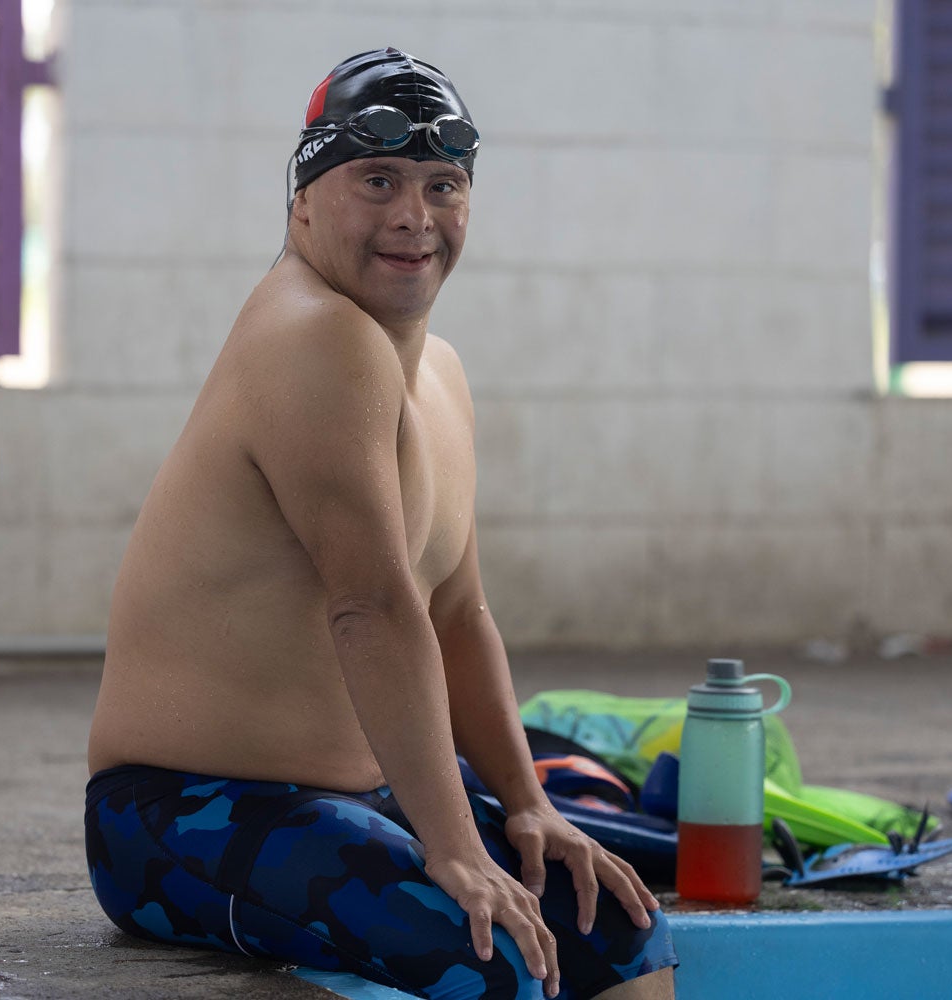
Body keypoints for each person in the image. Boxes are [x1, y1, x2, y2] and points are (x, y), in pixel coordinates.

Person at [85, 48, 679, 1000]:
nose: (415, 215)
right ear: (305, 201)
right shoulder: (313, 338)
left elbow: (457, 614)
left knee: (618, 925)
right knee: (488, 955)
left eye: (443, 184)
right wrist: (454, 848)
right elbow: (372, 606)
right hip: (181, 808)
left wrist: (527, 806)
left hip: (366, 794)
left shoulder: (438, 370)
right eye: (378, 180)